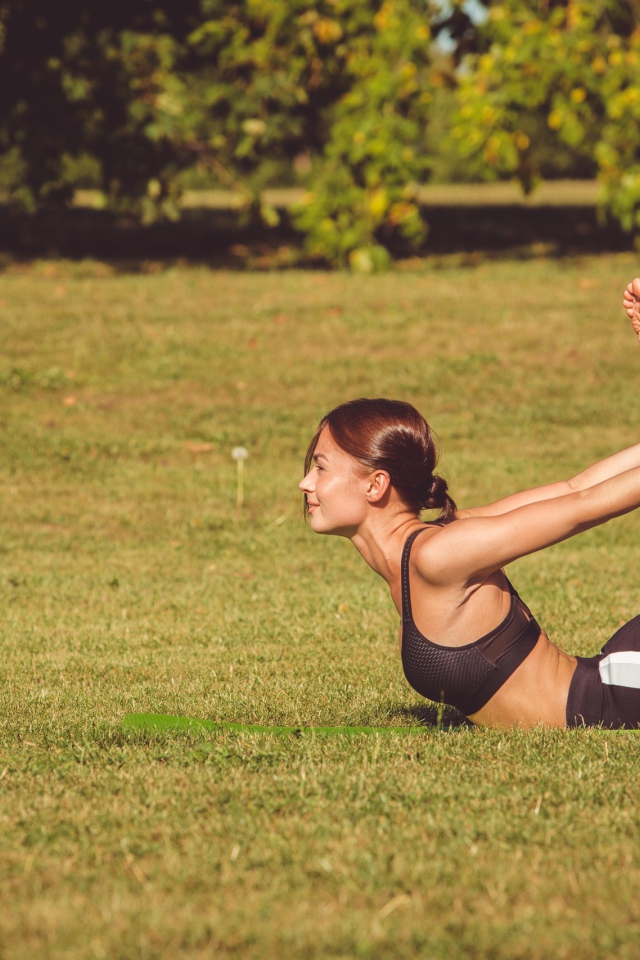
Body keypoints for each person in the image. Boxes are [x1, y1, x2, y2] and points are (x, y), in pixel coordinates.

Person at [298, 278, 640, 729]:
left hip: (616, 700)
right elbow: (573, 485)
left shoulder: (440, 554)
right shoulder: (430, 543)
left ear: (375, 485)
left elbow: (583, 503)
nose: (305, 483)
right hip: (615, 675)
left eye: (320, 467)